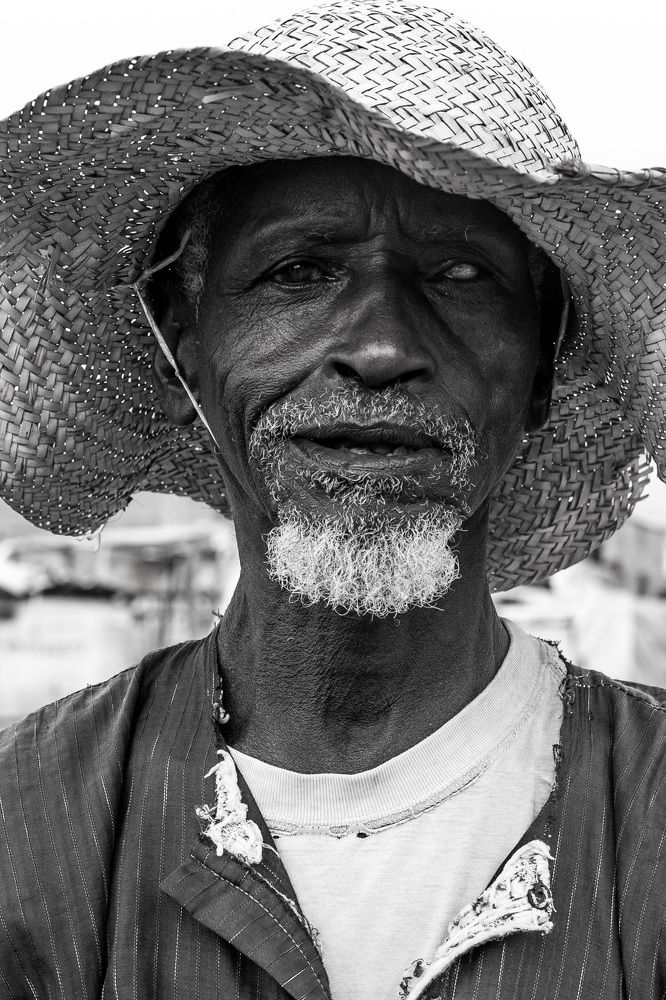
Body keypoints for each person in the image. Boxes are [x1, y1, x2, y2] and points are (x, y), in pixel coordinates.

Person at [0, 2, 665, 998]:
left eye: (462, 274)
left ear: (539, 367)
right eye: (301, 270)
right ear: (186, 340)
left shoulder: (647, 817)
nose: (383, 347)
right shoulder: (31, 821)